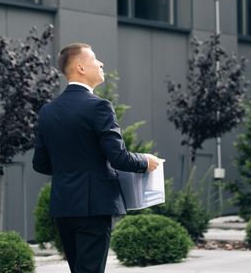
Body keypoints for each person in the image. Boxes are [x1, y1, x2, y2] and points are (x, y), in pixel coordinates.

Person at [32, 42, 160, 273]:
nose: (101, 63)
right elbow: (119, 157)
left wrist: (70, 170)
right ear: (80, 67)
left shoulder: (48, 111)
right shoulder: (100, 106)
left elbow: (40, 163)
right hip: (94, 207)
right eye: (95, 59)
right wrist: (146, 162)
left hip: (64, 205)